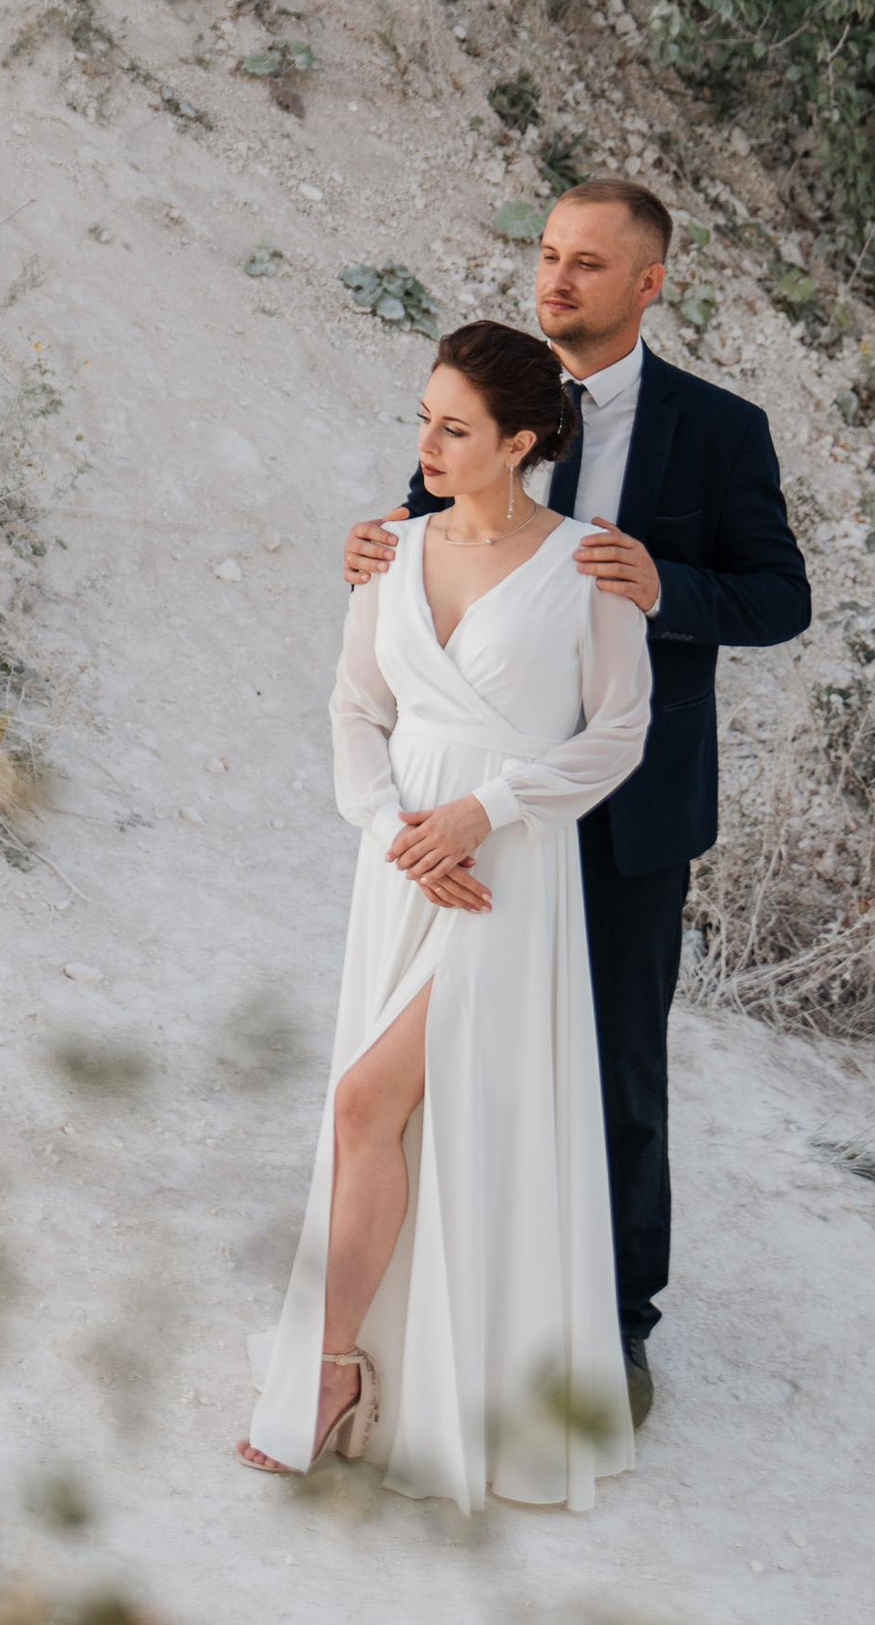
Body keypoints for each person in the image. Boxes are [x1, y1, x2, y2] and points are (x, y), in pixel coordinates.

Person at [342, 183, 810, 1425]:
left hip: (628, 803)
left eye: (588, 265)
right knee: (451, 1053)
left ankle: (616, 1323)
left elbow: (780, 599)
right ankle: (472, 1300)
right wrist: (376, 550)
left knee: (613, 1064)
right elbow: (439, 522)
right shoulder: (494, 394)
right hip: (470, 806)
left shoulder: (718, 431)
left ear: (646, 284)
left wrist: (668, 586)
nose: (556, 281)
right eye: (548, 256)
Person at [240, 321, 651, 1513]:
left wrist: (488, 809)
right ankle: (364, 1370)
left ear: (520, 442)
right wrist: (391, 830)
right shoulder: (393, 552)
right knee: (392, 1118)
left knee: (369, 1099)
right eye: (422, 417)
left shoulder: (588, 565)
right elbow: (353, 712)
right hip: (401, 869)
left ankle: (326, 1376)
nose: (425, 442)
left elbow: (620, 732)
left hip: (504, 874)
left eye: (454, 427)